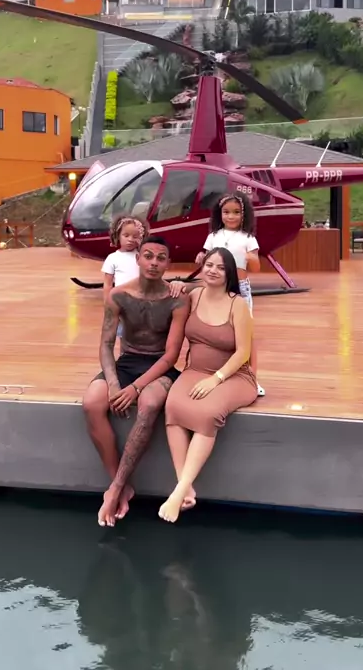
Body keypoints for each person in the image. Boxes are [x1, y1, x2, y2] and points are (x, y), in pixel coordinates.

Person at [83, 235, 190, 528]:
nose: (154, 263)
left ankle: (115, 488)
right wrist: (114, 384)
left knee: (149, 403)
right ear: (138, 259)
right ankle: (120, 483)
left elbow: (171, 356)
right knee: (92, 402)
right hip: (127, 363)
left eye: (161, 258)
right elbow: (106, 345)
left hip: (159, 367)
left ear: (168, 264)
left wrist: (135, 388)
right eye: (148, 256)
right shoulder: (119, 295)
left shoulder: (177, 299)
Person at [159, 247, 257, 523]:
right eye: (209, 265)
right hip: (195, 371)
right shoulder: (194, 296)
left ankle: (178, 492)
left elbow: (243, 352)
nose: (213, 270)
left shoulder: (238, 305)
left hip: (234, 375)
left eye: (221, 267)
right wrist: (177, 284)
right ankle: (185, 487)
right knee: (173, 406)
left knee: (208, 413)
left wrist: (216, 379)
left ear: (229, 274)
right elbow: (173, 291)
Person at [194, 192, 263, 395]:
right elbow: (206, 259)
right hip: (216, 288)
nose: (231, 216)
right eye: (226, 212)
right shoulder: (213, 237)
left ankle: (252, 377)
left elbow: (257, 268)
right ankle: (216, 369)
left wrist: (251, 258)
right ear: (219, 214)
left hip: (240, 286)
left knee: (246, 332)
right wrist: (200, 256)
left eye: (236, 212)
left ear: (244, 214)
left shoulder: (248, 238)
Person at [101, 216, 148, 341]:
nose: (130, 239)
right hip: (122, 303)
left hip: (142, 302)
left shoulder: (143, 256)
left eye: (135, 236)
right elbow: (107, 284)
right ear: (118, 235)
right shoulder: (113, 258)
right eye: (126, 235)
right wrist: (108, 304)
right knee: (124, 336)